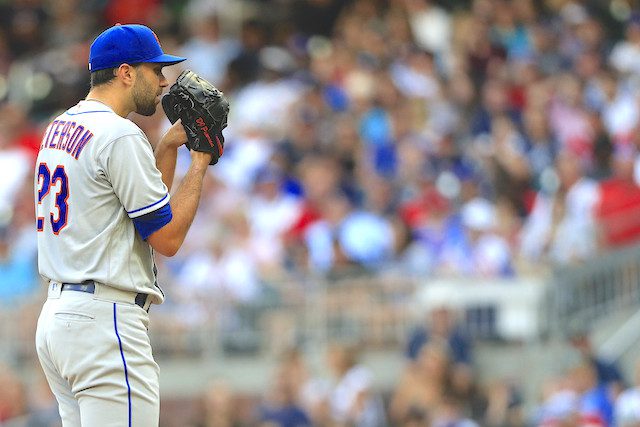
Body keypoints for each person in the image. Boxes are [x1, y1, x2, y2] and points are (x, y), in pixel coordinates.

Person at [34, 24, 219, 426]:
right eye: (155, 69)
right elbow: (166, 239)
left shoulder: (60, 125)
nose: (164, 81)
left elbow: (137, 212)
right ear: (126, 73)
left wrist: (168, 146)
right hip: (104, 321)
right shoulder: (119, 134)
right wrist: (200, 161)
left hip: (60, 319)